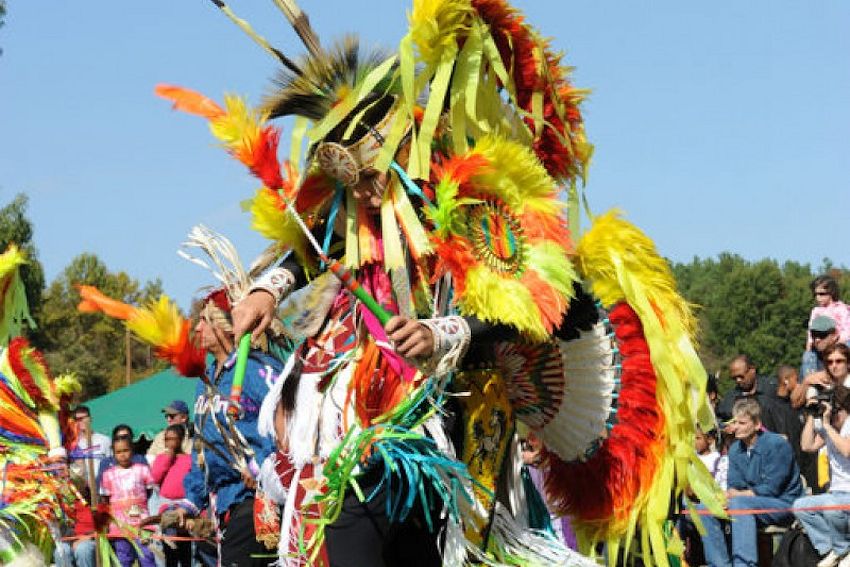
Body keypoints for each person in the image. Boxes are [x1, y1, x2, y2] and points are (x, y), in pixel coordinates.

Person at [179, 282, 283, 567]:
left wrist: (263, 464)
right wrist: (190, 501)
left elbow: (286, 422)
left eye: (204, 321)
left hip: (258, 500)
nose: (197, 329)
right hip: (223, 503)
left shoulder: (257, 369)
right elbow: (204, 447)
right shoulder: (208, 381)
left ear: (225, 326)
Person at [699, 398, 803, 567]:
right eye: (735, 422)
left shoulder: (776, 444)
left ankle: (744, 564)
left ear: (756, 425)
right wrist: (727, 497)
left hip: (783, 502)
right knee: (705, 508)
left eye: (742, 423)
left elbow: (772, 488)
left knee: (740, 504)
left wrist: (737, 496)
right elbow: (735, 484)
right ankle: (719, 564)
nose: (737, 427)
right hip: (749, 502)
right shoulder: (735, 449)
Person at [793, 384, 850, 567]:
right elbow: (807, 446)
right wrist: (812, 415)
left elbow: (847, 450)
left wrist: (826, 424)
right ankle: (832, 550)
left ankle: (844, 550)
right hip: (836, 493)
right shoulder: (829, 426)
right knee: (800, 506)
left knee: (831, 507)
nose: (832, 417)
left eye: (834, 412)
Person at [100, 435, 157, 567]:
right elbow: (105, 498)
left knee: (147, 555)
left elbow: (149, 492)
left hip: (142, 522)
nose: (123, 455)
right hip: (119, 524)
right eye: (118, 452)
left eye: (126, 450)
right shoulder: (108, 474)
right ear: (113, 454)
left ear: (132, 450)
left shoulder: (142, 470)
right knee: (124, 557)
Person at [716, 355, 799, 443]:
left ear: (752, 370)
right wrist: (725, 427)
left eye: (741, 376)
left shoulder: (773, 387)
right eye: (734, 378)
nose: (738, 380)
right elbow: (719, 420)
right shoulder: (730, 397)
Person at [151, 424, 192, 567]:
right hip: (166, 504)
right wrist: (167, 458)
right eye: (167, 439)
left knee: (186, 544)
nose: (170, 443)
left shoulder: (188, 459)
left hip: (184, 504)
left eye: (173, 439)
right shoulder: (161, 458)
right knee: (169, 544)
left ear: (181, 440)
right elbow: (155, 478)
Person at [53, 474, 97, 567]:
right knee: (61, 551)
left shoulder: (95, 502)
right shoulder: (66, 505)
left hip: (90, 539)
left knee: (83, 549)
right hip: (71, 539)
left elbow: (105, 527)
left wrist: (89, 537)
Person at [69, 405, 112, 488]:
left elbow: (111, 463)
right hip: (85, 489)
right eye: (79, 419)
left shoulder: (105, 440)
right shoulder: (73, 445)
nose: (82, 421)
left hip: (104, 487)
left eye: (85, 418)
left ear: (90, 418)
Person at [807, 275, 850, 348]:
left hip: (840, 343)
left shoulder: (841, 308)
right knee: (808, 357)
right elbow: (811, 329)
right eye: (816, 294)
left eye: (822, 294)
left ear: (831, 293)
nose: (818, 297)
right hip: (820, 343)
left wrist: (839, 342)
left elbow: (847, 329)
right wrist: (810, 343)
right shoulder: (816, 311)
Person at [800, 316, 843, 385]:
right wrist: (806, 381)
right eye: (814, 335)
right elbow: (795, 394)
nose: (817, 339)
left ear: (834, 336)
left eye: (822, 335)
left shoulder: (846, 353)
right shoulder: (808, 357)